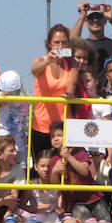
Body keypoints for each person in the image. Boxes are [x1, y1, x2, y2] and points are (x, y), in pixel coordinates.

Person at [31, 24, 79, 155]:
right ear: (49, 44)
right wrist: (48, 61)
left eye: (64, 43)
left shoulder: (72, 64)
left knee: (65, 171)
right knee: (42, 168)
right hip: (41, 125)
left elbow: (72, 85)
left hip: (65, 127)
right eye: (56, 43)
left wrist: (69, 94)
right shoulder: (40, 61)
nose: (60, 46)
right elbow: (34, 70)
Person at [50, 135, 110, 223]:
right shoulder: (55, 159)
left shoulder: (79, 151)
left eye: (60, 135)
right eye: (52, 136)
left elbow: (84, 171)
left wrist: (68, 156)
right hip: (76, 203)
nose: (55, 138)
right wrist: (55, 172)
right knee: (86, 222)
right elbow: (56, 187)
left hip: (94, 197)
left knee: (106, 221)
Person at [72, 1, 112, 72]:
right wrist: (81, 17)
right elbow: (71, 42)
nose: (95, 20)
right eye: (91, 17)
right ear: (85, 22)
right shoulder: (83, 46)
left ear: (105, 20)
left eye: (99, 17)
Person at [19, 149, 62, 223]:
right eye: (42, 166)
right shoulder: (32, 184)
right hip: (36, 215)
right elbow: (22, 206)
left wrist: (59, 210)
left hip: (54, 217)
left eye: (49, 166)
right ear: (36, 167)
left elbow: (61, 208)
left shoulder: (58, 184)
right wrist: (39, 207)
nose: (46, 169)